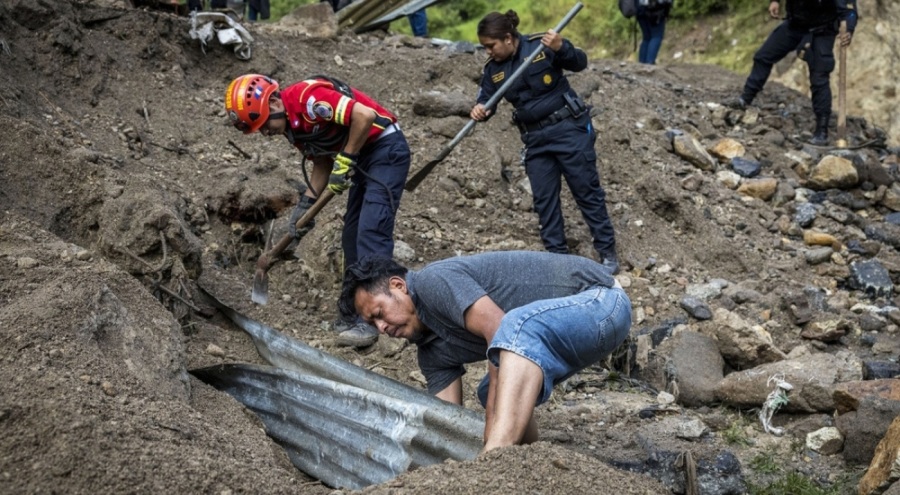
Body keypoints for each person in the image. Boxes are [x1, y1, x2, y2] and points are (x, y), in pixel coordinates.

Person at [339, 251, 631, 452]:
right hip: (568, 333)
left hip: (601, 301)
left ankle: (499, 455)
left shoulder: (432, 282)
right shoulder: (430, 353)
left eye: (379, 312)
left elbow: (499, 328)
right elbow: (447, 422)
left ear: (398, 286)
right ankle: (526, 459)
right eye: (372, 323)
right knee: (489, 391)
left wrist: (490, 442)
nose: (381, 327)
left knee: (514, 328)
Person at [225, 74, 410, 348]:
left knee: (372, 231)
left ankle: (386, 317)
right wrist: (304, 208)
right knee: (351, 236)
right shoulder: (293, 127)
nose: (265, 133)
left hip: (385, 149)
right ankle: (356, 312)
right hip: (362, 157)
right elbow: (322, 162)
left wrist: (346, 159)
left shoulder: (307, 99)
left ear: (274, 102)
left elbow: (364, 115)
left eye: (264, 124)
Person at [470, 10, 620, 274]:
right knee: (544, 200)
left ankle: (607, 251)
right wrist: (481, 109)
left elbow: (580, 62)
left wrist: (562, 47)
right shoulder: (493, 70)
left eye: (490, 46)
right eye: (484, 47)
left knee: (586, 190)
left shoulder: (542, 45)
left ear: (507, 38)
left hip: (568, 129)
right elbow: (486, 99)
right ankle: (557, 261)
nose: (488, 52)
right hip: (535, 140)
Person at [727, 0, 858, 146]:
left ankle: (822, 131)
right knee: (763, 56)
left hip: (822, 31)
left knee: (819, 77)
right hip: (795, 25)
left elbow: (849, 11)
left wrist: (849, 29)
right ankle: (745, 99)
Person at [636, 0, 672, 64]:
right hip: (654, 10)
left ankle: (641, 64)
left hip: (639, 9)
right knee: (656, 36)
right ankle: (649, 63)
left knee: (646, 38)